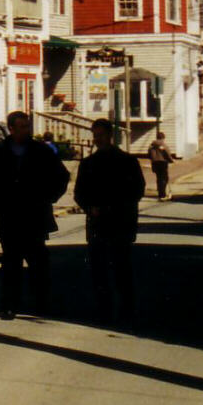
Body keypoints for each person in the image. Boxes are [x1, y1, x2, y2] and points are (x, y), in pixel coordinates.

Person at [0, 110, 70, 320]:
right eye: (21, 127)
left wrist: (49, 197)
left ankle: (41, 304)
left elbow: (62, 175)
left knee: (38, 262)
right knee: (11, 263)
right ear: (11, 129)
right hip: (9, 216)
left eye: (27, 126)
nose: (25, 130)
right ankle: (10, 305)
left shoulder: (41, 150)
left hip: (35, 215)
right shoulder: (0, 152)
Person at [74, 118, 145, 324]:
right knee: (99, 270)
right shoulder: (88, 164)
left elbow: (137, 190)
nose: (98, 140)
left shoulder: (127, 161)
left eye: (101, 135)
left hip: (120, 222)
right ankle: (104, 310)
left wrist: (118, 207)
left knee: (122, 268)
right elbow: (79, 193)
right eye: (95, 136)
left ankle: (127, 310)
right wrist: (89, 207)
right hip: (97, 223)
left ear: (110, 136)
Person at [147, 131, 176, 200]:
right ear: (163, 138)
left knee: (159, 178)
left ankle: (160, 194)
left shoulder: (151, 146)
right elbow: (167, 153)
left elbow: (148, 155)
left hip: (155, 163)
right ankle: (163, 194)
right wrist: (171, 160)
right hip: (162, 163)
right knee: (164, 178)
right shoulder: (163, 145)